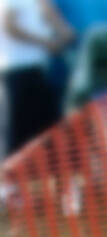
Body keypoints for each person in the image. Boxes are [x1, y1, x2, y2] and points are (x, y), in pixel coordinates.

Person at [0, 0, 74, 153]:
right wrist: (44, 42)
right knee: (18, 131)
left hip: (37, 70)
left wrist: (62, 34)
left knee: (44, 127)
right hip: (18, 69)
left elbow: (54, 21)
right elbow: (9, 25)